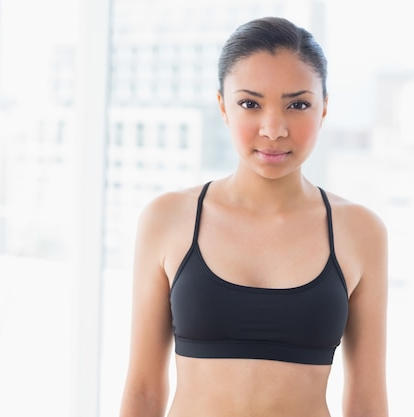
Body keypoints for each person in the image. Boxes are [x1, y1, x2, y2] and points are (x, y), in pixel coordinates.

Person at [119, 16, 388, 417]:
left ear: (324, 108)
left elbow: (367, 400)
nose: (274, 128)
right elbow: (143, 391)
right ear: (223, 107)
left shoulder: (361, 231)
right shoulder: (167, 219)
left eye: (298, 104)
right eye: (250, 103)